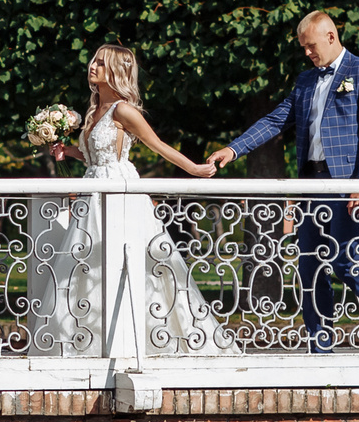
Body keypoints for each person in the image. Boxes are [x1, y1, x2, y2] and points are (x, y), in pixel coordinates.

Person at [210, 12, 359, 353]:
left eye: (310, 46)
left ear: (332, 37)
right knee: (309, 265)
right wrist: (233, 150)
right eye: (303, 47)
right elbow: (276, 120)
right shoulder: (306, 81)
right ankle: (320, 343)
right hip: (311, 184)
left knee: (346, 262)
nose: (306, 53)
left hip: (348, 186)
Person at [28, 42, 237, 357]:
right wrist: (67, 150)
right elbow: (91, 156)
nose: (92, 66)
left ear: (116, 71)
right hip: (92, 193)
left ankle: (144, 340)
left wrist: (194, 168)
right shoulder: (93, 110)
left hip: (119, 190)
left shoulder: (124, 110)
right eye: (93, 61)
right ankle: (84, 343)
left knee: (133, 264)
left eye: (100, 62)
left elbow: (158, 145)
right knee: (86, 265)